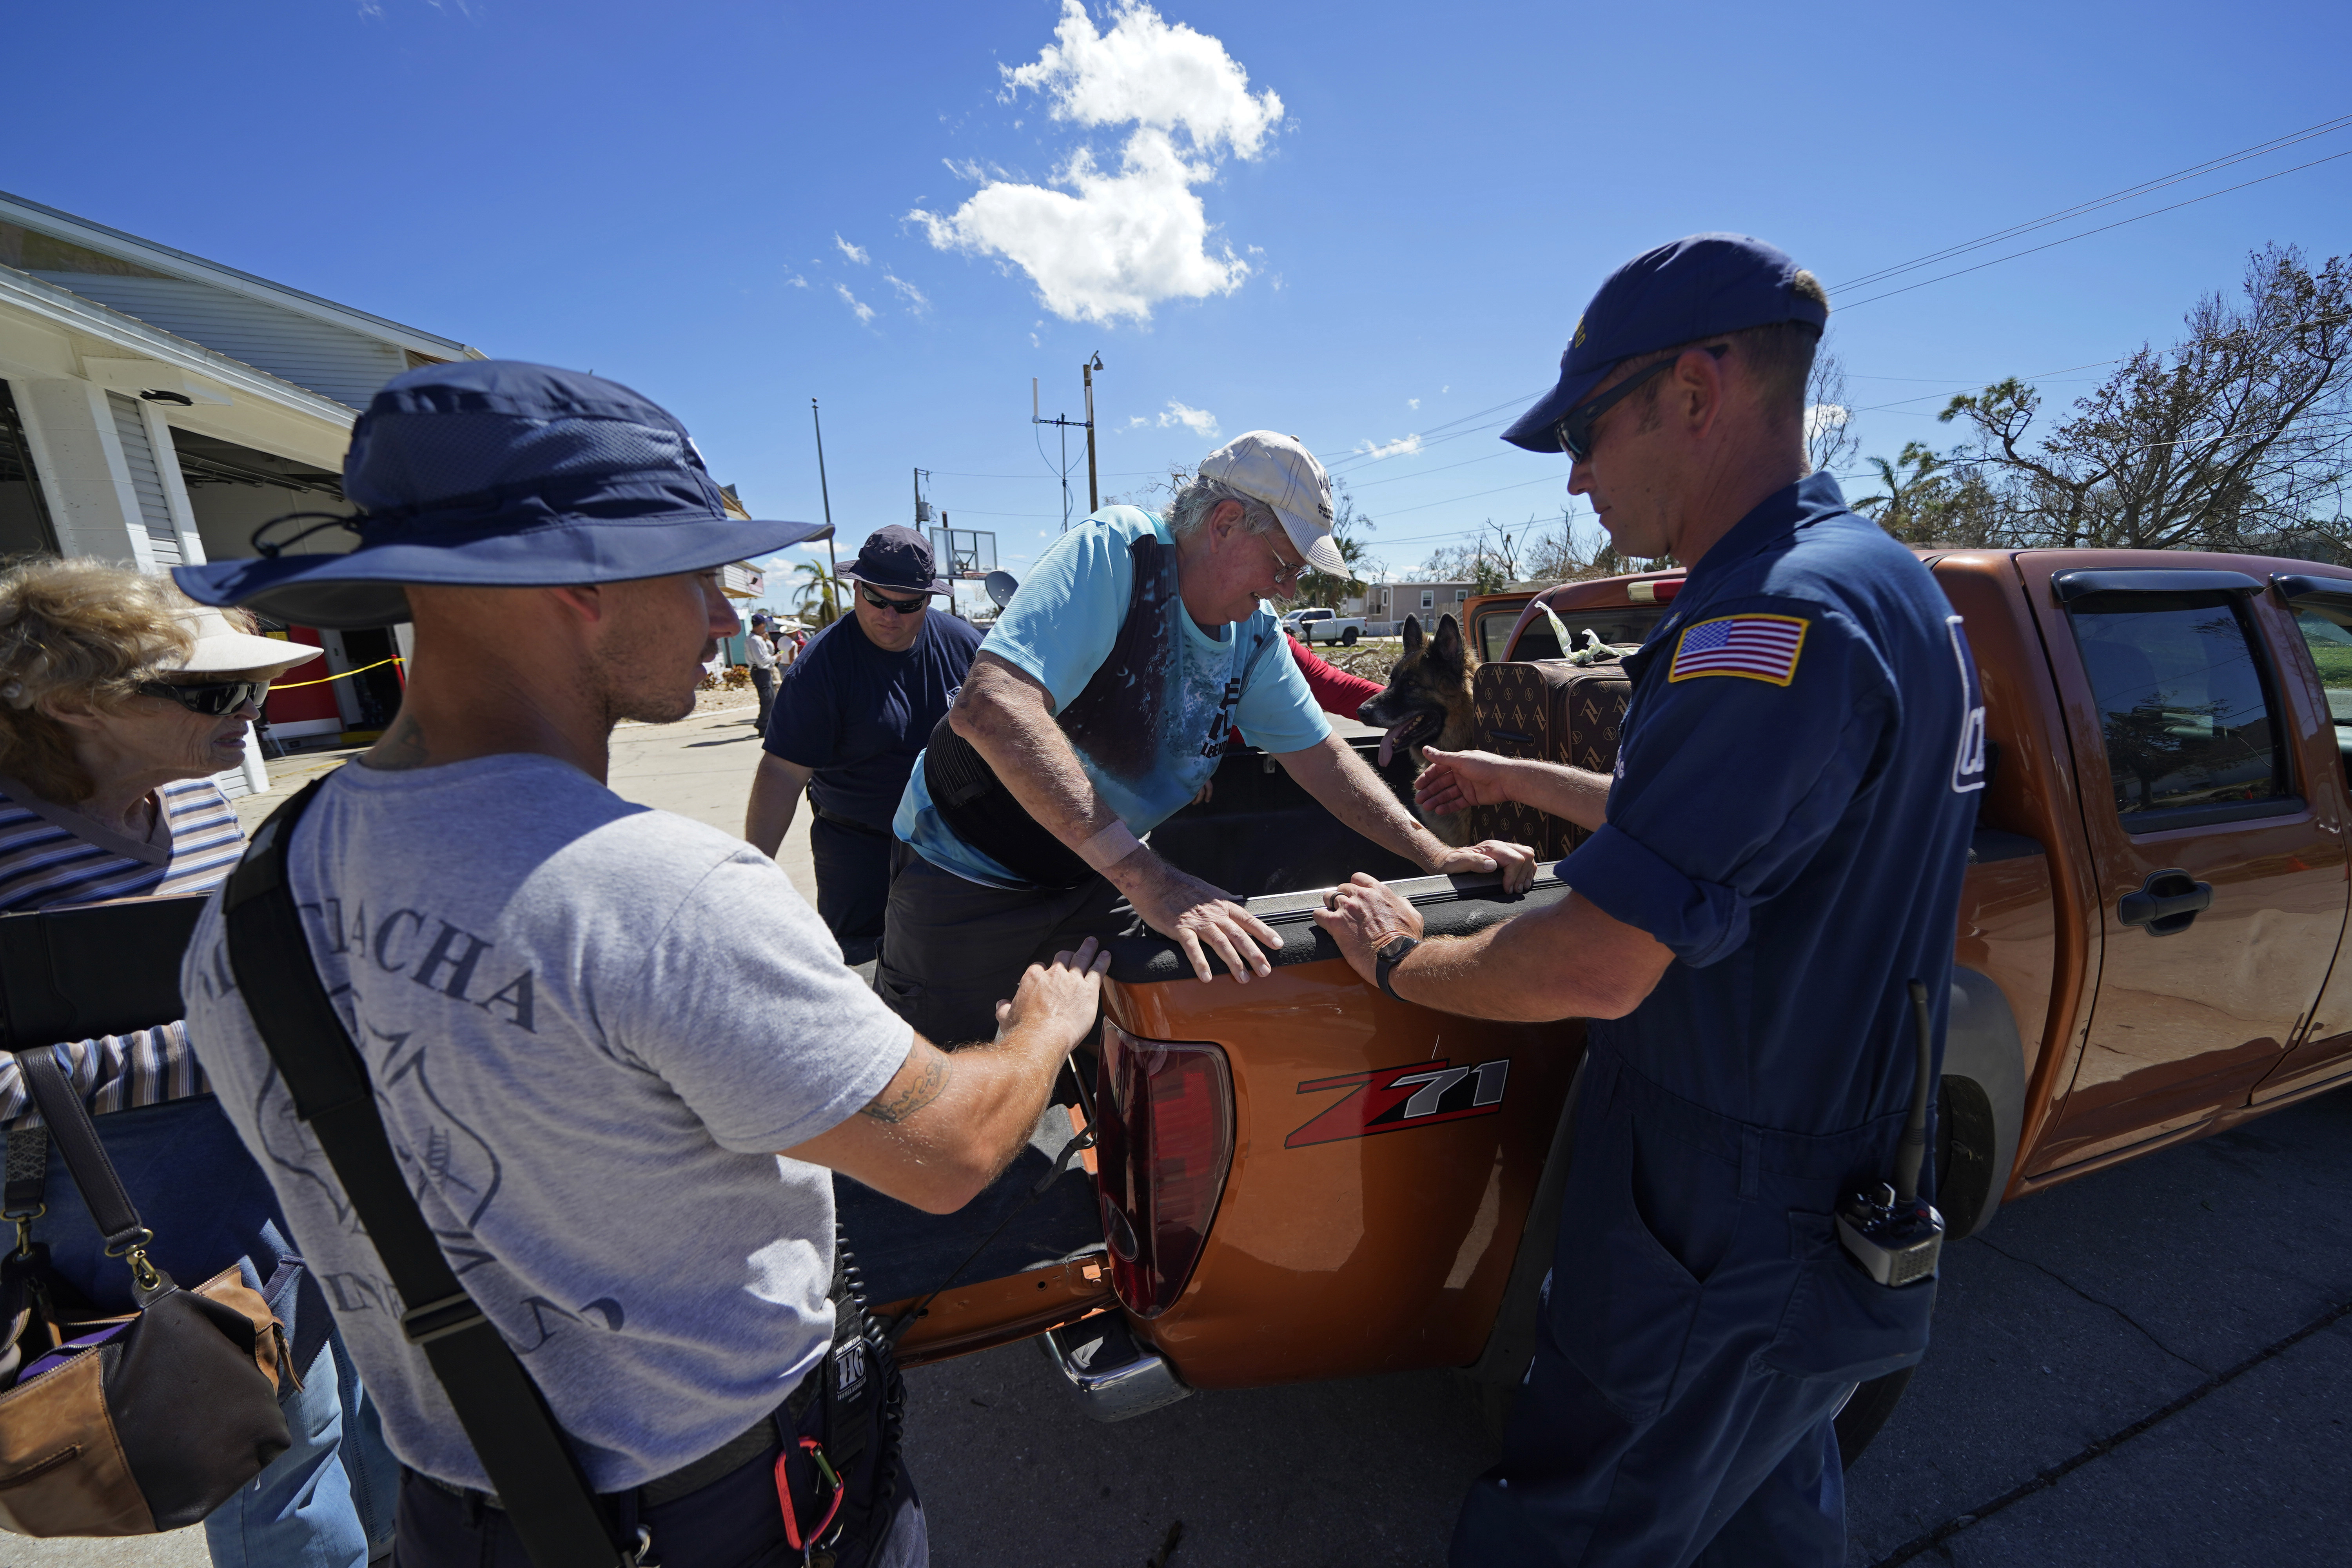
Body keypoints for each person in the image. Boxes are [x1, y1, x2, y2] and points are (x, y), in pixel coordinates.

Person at [171, 361, 1111, 1568]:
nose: (728, 617)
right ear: (576, 585)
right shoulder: (662, 897)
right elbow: (947, 1151)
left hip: (454, 1516)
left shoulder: (248, 904)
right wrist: (1041, 1025)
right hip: (727, 1517)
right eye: (699, 573)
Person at [1311, 236, 1983, 1566]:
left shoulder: (1773, 625)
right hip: (1826, 1176)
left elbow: (1592, 967)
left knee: (1579, 1526)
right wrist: (1516, 773)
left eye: (1584, 429)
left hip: (1721, 1204)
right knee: (1761, 1511)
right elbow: (1747, 840)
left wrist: (1401, 965)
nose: (1573, 475)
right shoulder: (1878, 585)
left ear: (1695, 390)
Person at [879, 428, 1536, 1048]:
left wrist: (1434, 854)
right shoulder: (1120, 554)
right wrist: (1153, 883)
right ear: (1223, 523)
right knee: (936, 1100)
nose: (1288, 587)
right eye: (1283, 562)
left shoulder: (1253, 634)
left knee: (1104, 1072)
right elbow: (992, 706)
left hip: (1093, 866)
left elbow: (1322, 757)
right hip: (967, 872)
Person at [0, 559, 398, 1567]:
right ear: (72, 703)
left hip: (289, 1153)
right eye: (216, 691)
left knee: (375, 1403)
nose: (253, 711)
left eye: (257, 685)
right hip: (132, 1190)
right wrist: (198, 1038)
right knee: (273, 1452)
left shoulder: (202, 801)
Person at [746, 528, 980, 966]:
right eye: (876, 600)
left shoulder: (965, 646)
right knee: (866, 972)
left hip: (951, 844)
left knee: (956, 970)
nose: (889, 616)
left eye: (907, 605)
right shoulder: (820, 668)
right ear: (856, 589)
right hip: (859, 854)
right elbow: (782, 772)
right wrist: (755, 872)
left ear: (929, 600)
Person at [744, 610, 779, 733]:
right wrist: (776, 658)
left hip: (762, 671)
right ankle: (763, 726)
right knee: (767, 700)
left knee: (770, 699)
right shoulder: (755, 640)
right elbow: (763, 660)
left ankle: (766, 725)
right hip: (760, 671)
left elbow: (769, 651)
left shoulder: (758, 639)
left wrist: (768, 641)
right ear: (762, 625)